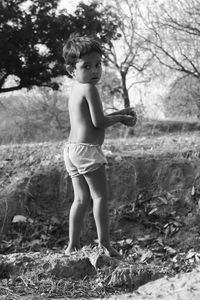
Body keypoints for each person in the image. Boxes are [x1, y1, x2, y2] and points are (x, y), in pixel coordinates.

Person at [63, 33, 137, 257]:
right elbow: (99, 122)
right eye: (86, 66)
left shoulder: (76, 89)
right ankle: (105, 245)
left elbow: (91, 119)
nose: (94, 71)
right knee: (100, 197)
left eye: (98, 65)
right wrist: (121, 119)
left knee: (80, 199)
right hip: (87, 151)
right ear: (71, 70)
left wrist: (119, 112)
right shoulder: (90, 89)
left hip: (71, 150)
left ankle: (72, 245)